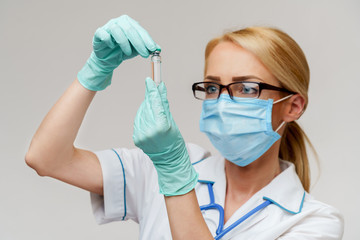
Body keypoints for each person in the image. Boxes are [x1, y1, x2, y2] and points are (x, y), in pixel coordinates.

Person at [25, 15, 344, 239]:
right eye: (213, 87)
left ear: (292, 106)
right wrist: (95, 71)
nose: (222, 102)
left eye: (246, 89)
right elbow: (46, 158)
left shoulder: (313, 222)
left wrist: (175, 175)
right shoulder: (159, 168)